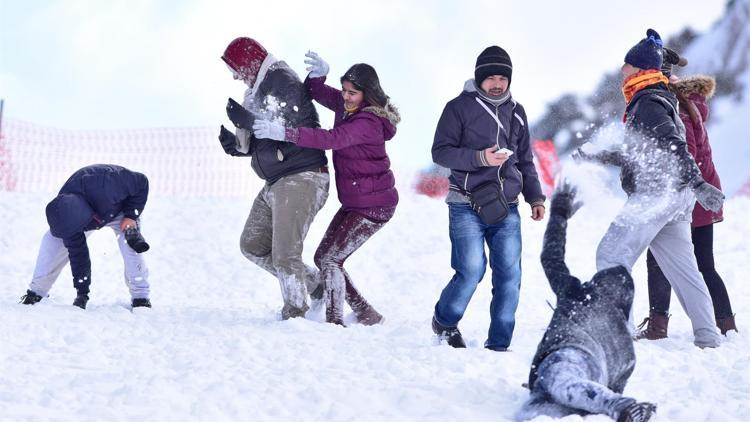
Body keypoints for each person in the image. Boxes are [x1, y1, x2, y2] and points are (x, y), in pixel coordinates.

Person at [575, 29, 725, 348]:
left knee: (611, 253)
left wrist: (698, 182)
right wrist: (597, 154)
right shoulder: (656, 97)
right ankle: (708, 336)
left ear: (640, 70)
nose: (621, 70)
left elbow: (673, 145)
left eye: (626, 65)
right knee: (684, 269)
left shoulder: (648, 101)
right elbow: (639, 152)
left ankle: (618, 333)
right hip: (675, 198)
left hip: (658, 193)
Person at [252, 52, 399, 326]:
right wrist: (319, 76)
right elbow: (317, 93)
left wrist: (285, 133)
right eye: (344, 90)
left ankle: (334, 320)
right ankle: (364, 310)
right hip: (357, 202)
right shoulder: (349, 108)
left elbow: (332, 138)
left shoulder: (367, 122)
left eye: (352, 93)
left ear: (368, 94)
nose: (345, 96)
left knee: (330, 259)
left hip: (375, 206)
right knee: (325, 257)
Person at [429, 46, 546, 351]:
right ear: (479, 78)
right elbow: (440, 152)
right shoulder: (458, 108)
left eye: (502, 78)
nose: (497, 83)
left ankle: (499, 344)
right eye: (491, 77)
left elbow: (525, 160)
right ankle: (445, 319)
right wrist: (480, 157)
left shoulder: (517, 112)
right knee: (470, 270)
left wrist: (535, 197)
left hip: (506, 206)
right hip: (465, 203)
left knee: (509, 275)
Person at [516, 181, 656, 422]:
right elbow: (618, 378)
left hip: (568, 357)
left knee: (560, 380)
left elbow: (551, 257)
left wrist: (559, 213)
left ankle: (619, 406)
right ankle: (589, 403)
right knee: (534, 408)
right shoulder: (624, 343)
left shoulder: (579, 296)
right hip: (592, 375)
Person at [218, 37, 330, 320]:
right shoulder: (257, 89)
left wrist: (247, 121)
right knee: (252, 245)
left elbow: (287, 126)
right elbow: (268, 138)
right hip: (277, 180)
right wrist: (238, 145)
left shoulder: (281, 79)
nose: (235, 75)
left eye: (237, 68)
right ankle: (317, 285)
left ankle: (295, 313)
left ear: (251, 62)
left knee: (284, 253)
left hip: (302, 177)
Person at [637, 48, 738, 339]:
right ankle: (725, 324)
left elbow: (685, 154)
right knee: (703, 262)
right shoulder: (685, 101)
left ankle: (659, 326)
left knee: (660, 259)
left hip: (687, 196)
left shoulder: (673, 106)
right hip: (701, 195)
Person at [20, 164, 151, 309]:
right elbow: (78, 253)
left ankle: (141, 296)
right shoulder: (65, 211)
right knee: (51, 241)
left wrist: (131, 215)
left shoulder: (109, 185)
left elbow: (141, 182)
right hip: (88, 211)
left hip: (120, 210)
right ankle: (37, 291)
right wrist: (82, 293)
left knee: (130, 245)